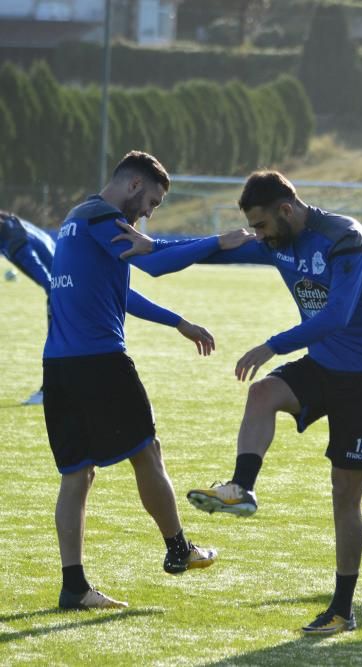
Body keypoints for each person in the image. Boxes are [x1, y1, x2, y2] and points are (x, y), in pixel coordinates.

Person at [186, 170, 362, 635]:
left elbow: (337, 315)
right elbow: (215, 250)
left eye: (261, 225)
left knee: (344, 495)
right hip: (325, 364)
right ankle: (241, 488)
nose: (258, 236)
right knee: (262, 393)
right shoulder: (276, 240)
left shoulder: (346, 238)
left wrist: (271, 346)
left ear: (285, 210)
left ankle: (342, 610)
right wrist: (147, 248)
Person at [44, 151, 248, 610]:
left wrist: (178, 321)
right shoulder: (104, 217)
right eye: (152, 202)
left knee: (77, 474)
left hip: (58, 367)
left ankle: (74, 586)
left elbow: (120, 290)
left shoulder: (76, 220)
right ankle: (179, 549)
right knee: (147, 451)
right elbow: (153, 263)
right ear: (134, 186)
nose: (149, 214)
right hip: (100, 363)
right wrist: (220, 241)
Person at [1, 211, 56, 404]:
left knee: (58, 341)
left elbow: (48, 282)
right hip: (74, 283)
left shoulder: (11, 240)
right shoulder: (12, 222)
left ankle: (51, 390)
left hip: (66, 291)